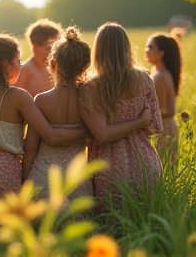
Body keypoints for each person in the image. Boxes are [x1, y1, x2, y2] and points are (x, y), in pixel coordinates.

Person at [0, 34, 88, 219]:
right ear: (5, 65)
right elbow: (50, 135)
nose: (22, 63)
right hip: (3, 170)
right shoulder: (18, 96)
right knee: (7, 231)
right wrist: (87, 131)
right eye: (18, 60)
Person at [23, 26, 152, 202]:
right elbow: (100, 132)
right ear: (85, 66)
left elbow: (30, 148)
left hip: (43, 176)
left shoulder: (41, 100)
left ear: (53, 64)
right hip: (77, 180)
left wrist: (24, 182)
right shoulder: (89, 98)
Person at [78, 22, 163, 210]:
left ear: (97, 50)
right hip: (145, 164)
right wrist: (139, 122)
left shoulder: (89, 88)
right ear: (127, 48)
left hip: (109, 169)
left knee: (112, 231)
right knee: (146, 226)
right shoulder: (144, 79)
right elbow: (154, 125)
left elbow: (102, 135)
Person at [145, 32, 182, 164]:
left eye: (150, 47)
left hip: (164, 129)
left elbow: (163, 109)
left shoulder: (161, 76)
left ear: (161, 53)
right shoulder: (157, 73)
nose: (146, 50)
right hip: (163, 127)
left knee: (164, 170)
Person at [14, 19, 62, 97]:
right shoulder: (24, 71)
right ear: (35, 45)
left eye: (56, 48)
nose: (53, 52)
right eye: (48, 48)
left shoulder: (59, 68)